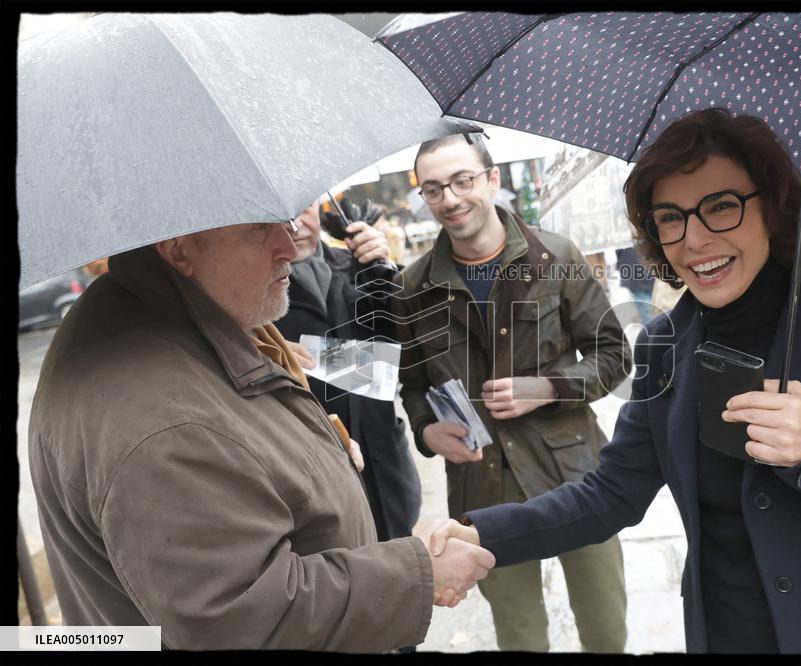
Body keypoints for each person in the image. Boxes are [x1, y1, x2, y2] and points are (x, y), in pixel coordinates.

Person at [427, 108, 801, 654]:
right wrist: (482, 534)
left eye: (722, 207)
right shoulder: (666, 346)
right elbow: (612, 493)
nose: (693, 240)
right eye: (670, 216)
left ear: (777, 209)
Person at [28, 217, 495, 651]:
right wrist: (420, 576)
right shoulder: (167, 425)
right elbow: (243, 618)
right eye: (259, 229)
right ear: (179, 249)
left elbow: (241, 444)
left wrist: (310, 441)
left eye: (287, 220)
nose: (289, 246)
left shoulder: (177, 310)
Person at [392, 132, 633, 652]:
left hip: (576, 476)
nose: (450, 199)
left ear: (492, 179)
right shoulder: (412, 288)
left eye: (462, 181)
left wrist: (547, 387)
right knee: (519, 634)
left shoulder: (557, 256)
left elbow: (615, 355)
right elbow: (411, 386)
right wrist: (428, 431)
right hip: (483, 485)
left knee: (605, 624)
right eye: (433, 189)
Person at [274, 194, 423, 543]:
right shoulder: (251, 295)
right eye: (279, 216)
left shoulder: (356, 265)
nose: (294, 225)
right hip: (315, 474)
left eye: (303, 210)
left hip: (384, 462)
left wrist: (384, 268)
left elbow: (410, 343)